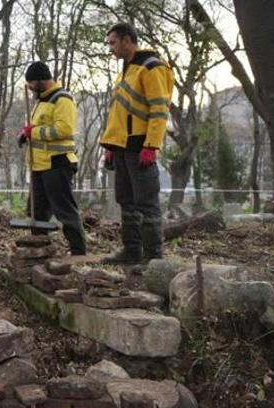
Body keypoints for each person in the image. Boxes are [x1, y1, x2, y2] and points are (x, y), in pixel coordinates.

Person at [100, 23, 173, 265]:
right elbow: (119, 115)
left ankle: (153, 258)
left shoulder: (151, 67)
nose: (110, 48)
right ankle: (131, 252)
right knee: (126, 201)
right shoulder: (126, 71)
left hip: (140, 146)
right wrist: (111, 146)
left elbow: (159, 109)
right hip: (122, 147)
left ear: (128, 40)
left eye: (113, 42)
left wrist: (151, 145)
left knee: (146, 203)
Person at [18, 61, 87, 256]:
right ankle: (39, 249)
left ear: (41, 81)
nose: (30, 89)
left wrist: (35, 132)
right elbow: (37, 127)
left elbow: (63, 128)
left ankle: (78, 252)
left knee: (64, 209)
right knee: (37, 211)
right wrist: (25, 134)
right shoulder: (41, 100)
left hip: (58, 162)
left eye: (31, 84)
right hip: (40, 164)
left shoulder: (62, 99)